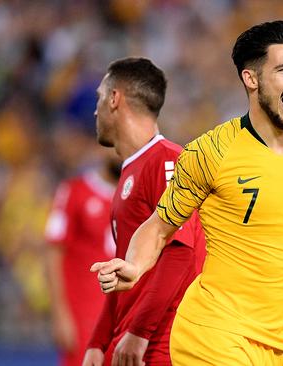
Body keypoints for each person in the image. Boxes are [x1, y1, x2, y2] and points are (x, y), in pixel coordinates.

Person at [92, 21, 283, 366]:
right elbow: (160, 226)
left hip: (276, 346)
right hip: (210, 334)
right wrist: (134, 265)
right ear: (251, 80)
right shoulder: (211, 152)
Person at [83, 57, 205, 366]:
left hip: (161, 344)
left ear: (115, 99)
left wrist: (140, 332)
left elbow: (181, 252)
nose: (95, 110)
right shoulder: (132, 170)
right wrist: (98, 341)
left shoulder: (167, 160)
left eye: (99, 97)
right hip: (131, 341)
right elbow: (121, 269)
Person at [45, 150, 119, 366]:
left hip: (125, 318)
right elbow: (53, 252)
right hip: (84, 318)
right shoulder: (74, 191)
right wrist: (60, 314)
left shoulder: (138, 193)